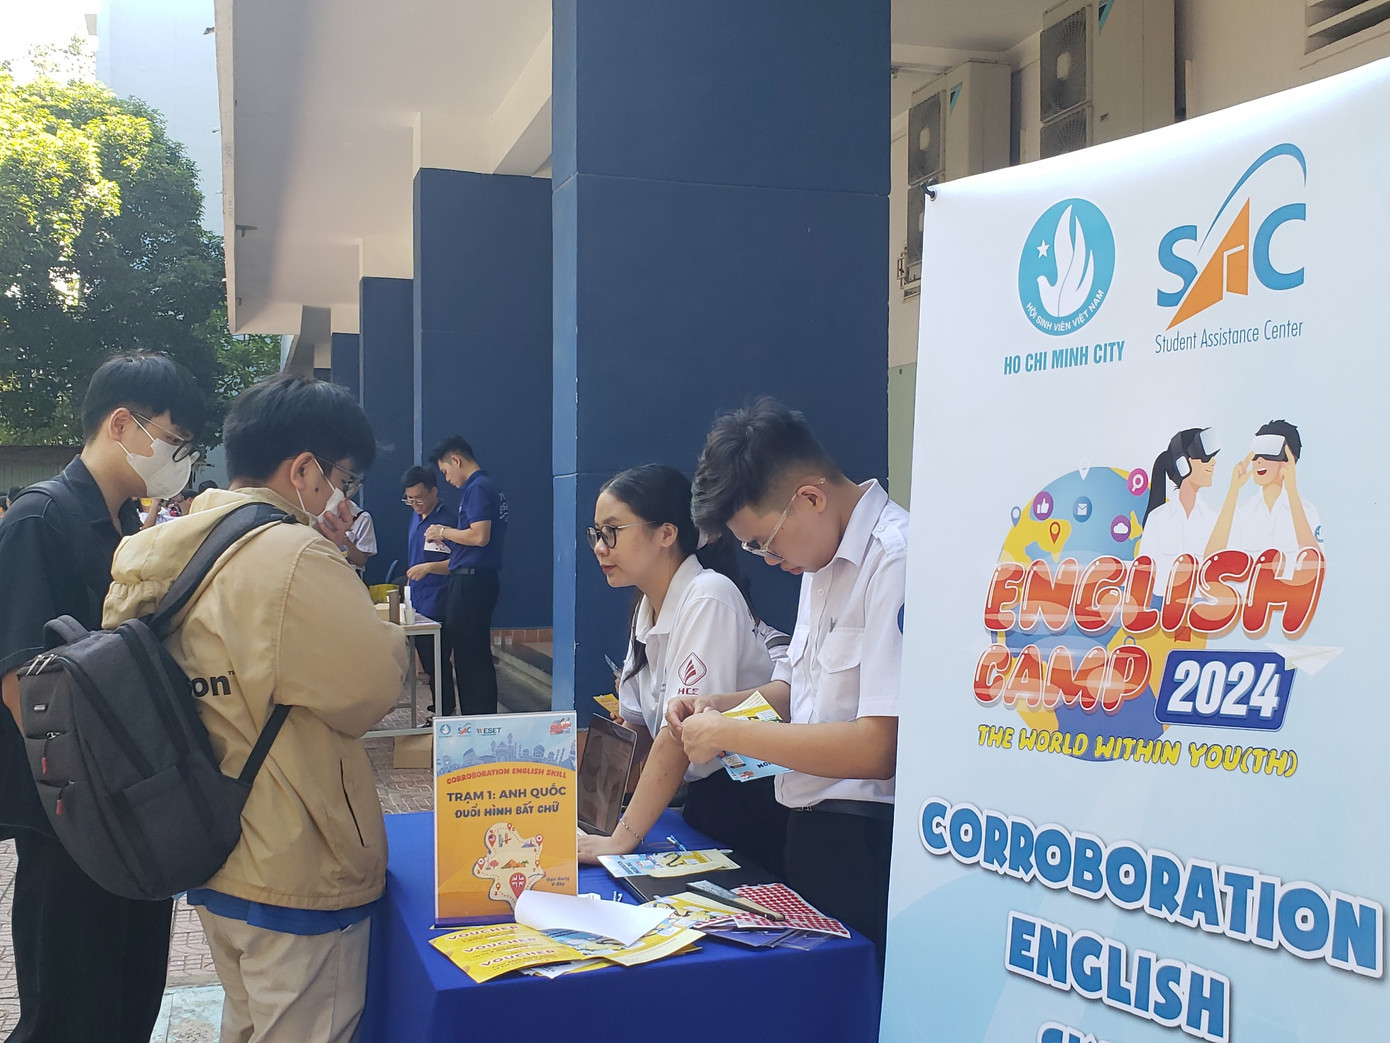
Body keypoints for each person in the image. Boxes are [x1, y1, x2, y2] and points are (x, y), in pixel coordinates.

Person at [102, 373, 408, 1043]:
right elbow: (371, 688)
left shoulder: (157, 549)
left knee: (244, 1022)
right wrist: (346, 572)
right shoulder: (295, 555)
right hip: (296, 856)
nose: (343, 496)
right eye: (342, 479)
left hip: (206, 839)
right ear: (303, 470)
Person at [0, 353, 205, 1043]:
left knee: (131, 994)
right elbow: (20, 681)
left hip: (134, 803)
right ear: (122, 424)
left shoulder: (128, 531)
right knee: (70, 1009)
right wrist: (90, 793)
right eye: (174, 440)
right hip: (73, 816)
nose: (179, 459)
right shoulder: (41, 520)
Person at [667, 398, 908, 954]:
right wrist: (720, 706)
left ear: (810, 498)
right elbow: (798, 691)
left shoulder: (894, 559)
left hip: (867, 835)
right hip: (807, 826)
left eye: (764, 542)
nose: (767, 559)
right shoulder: (819, 558)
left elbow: (879, 747)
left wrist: (729, 734)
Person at [575, 464, 790, 875]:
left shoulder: (708, 595)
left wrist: (620, 840)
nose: (600, 547)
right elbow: (634, 727)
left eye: (612, 531)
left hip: (751, 805)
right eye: (596, 534)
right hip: (704, 803)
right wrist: (586, 816)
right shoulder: (647, 605)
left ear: (666, 534)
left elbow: (678, 733)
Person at [426, 436, 508, 716]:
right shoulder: (488, 487)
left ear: (456, 460)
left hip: (472, 581)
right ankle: (477, 717)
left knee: (470, 655)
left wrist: (442, 531)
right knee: (472, 653)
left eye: (445, 471)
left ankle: (477, 718)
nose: (447, 479)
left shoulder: (478, 488)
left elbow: (479, 536)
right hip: (475, 579)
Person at [1205, 419, 1322, 575]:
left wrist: (1292, 491)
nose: (1259, 460)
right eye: (1256, 454)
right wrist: (1233, 491)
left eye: (1269, 453)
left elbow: (1316, 568)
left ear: (1290, 459)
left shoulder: (1307, 511)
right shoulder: (1241, 511)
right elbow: (1209, 562)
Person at [1136, 427, 1220, 591]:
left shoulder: (1215, 518)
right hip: (1162, 603)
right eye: (1204, 458)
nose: (1213, 463)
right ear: (1183, 464)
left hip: (1203, 603)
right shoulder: (1157, 519)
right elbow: (1144, 576)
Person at [402, 464, 453, 711]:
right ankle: (437, 707)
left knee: (438, 661)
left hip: (439, 600)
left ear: (433, 491)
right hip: (418, 599)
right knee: (426, 660)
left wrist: (429, 568)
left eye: (419, 498)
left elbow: (459, 563)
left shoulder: (447, 522)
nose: (415, 504)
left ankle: (445, 709)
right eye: (409, 499)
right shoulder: (416, 516)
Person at [341, 502, 377, 575]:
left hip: (348, 573)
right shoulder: (318, 513)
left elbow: (361, 561)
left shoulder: (362, 517)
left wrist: (347, 542)